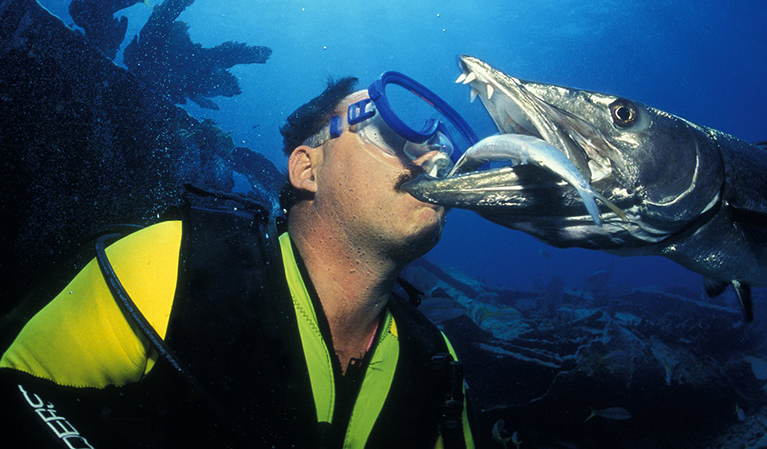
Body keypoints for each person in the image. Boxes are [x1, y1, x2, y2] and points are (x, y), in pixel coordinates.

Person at [0, 72, 480, 448]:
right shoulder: (177, 261)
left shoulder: (437, 361)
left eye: (437, 150)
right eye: (379, 129)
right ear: (307, 170)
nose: (429, 158)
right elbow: (18, 388)